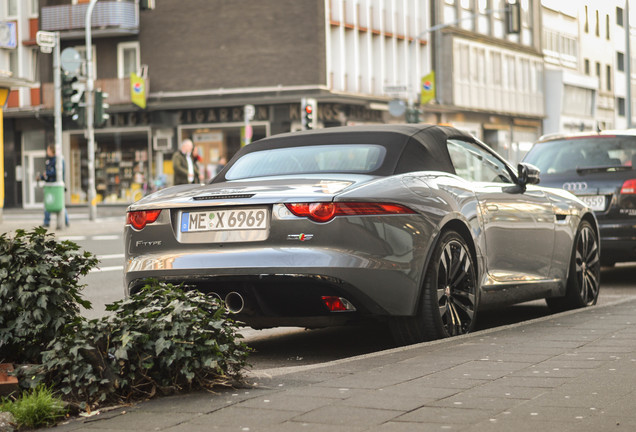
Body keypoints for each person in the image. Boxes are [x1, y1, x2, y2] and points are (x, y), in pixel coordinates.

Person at [39, 144, 69, 228]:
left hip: (56, 186)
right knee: (50, 203)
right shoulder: (50, 161)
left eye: (48, 150)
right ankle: (47, 221)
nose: (47, 152)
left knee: (58, 204)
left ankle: (64, 221)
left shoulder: (58, 160)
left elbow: (57, 172)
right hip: (51, 185)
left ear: (52, 151)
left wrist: (46, 174)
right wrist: (42, 177)